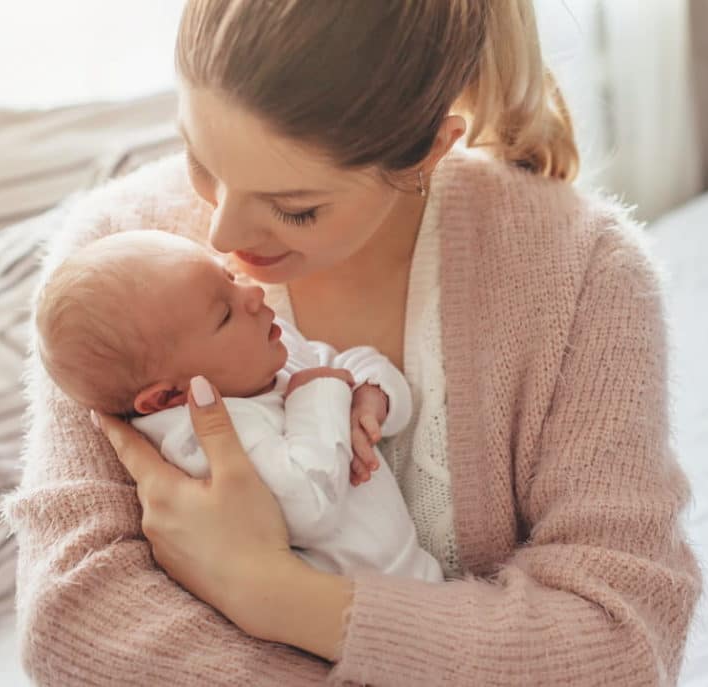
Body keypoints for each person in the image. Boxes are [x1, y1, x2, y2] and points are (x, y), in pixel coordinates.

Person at [2, 1, 702, 684]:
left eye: (295, 207)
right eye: (200, 159)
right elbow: (71, 619)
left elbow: (620, 646)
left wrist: (271, 593)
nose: (222, 237)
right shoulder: (113, 264)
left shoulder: (583, 274)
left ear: (429, 150)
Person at [33, 229, 443, 583]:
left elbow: (353, 363)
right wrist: (318, 394)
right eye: (224, 314)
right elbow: (310, 508)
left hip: (415, 575)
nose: (252, 293)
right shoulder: (200, 440)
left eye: (229, 277)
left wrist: (372, 395)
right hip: (355, 610)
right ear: (167, 397)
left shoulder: (268, 357)